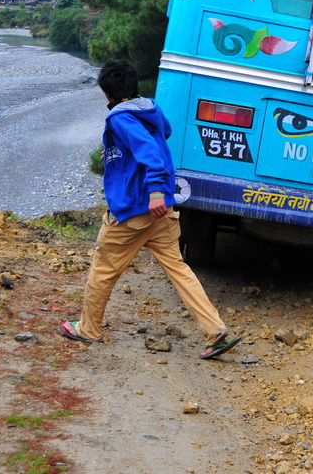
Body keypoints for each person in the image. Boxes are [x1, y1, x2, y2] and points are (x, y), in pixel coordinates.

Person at [58, 60, 242, 360]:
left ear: (107, 93)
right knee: (178, 269)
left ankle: (88, 329)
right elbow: (162, 133)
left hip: (136, 209)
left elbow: (150, 152)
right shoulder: (149, 109)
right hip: (163, 212)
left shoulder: (120, 118)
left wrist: (154, 190)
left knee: (104, 269)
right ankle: (215, 330)